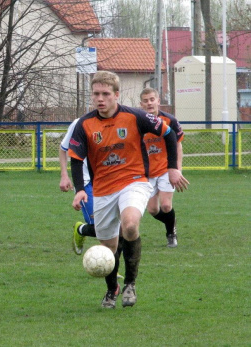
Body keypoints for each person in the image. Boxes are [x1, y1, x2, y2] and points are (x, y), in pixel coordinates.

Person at [68, 71, 188, 308]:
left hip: (134, 181)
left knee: (130, 224)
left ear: (116, 95)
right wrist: (80, 189)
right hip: (102, 189)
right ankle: (112, 288)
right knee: (109, 247)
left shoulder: (136, 116)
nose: (100, 99)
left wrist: (173, 168)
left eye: (105, 94)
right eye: (96, 94)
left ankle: (130, 285)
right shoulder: (84, 125)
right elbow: (75, 158)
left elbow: (169, 133)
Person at [139, 88, 184, 247]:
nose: (149, 103)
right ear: (141, 103)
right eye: (146, 100)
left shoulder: (169, 120)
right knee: (152, 210)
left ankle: (171, 233)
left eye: (152, 99)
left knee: (166, 205)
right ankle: (171, 222)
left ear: (158, 101)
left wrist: (177, 169)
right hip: (147, 172)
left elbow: (177, 145)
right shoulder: (137, 121)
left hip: (166, 169)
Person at [59, 118, 96, 255]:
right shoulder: (79, 123)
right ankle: (80, 230)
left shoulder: (119, 121)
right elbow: (63, 149)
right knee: (99, 228)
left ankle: (111, 267)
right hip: (86, 183)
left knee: (116, 227)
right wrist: (64, 175)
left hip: (108, 182)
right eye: (97, 94)